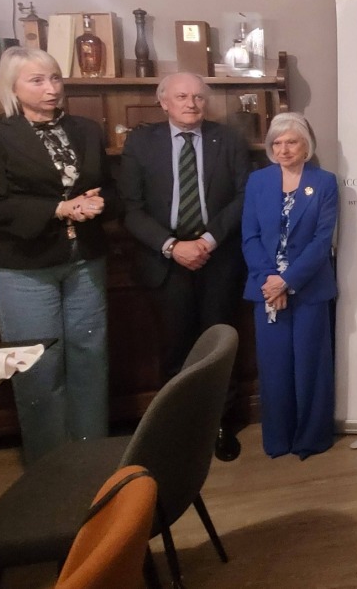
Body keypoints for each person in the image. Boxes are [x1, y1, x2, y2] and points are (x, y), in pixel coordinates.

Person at [0, 46, 117, 464]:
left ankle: (91, 459)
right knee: (38, 366)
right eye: (37, 80)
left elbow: (110, 187)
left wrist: (99, 201)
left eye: (55, 78)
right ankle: (50, 467)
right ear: (12, 87)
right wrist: (59, 209)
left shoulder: (86, 129)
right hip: (25, 267)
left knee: (90, 359)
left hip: (85, 259)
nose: (51, 88)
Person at [118, 72, 251, 461]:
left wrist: (207, 241)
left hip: (218, 256)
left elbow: (244, 196)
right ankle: (178, 425)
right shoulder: (141, 142)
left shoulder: (228, 139)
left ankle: (220, 423)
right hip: (165, 258)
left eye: (198, 97)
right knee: (176, 346)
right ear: (163, 102)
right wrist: (173, 246)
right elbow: (130, 208)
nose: (191, 104)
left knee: (219, 343)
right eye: (181, 97)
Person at [242, 113, 338, 459]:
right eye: (277, 142)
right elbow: (250, 236)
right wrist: (270, 281)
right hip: (266, 289)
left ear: (306, 145)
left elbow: (321, 241)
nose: (283, 149)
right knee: (274, 367)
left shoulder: (324, 182)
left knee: (311, 365)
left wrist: (287, 281)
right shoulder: (258, 181)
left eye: (291, 142)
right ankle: (279, 439)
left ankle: (311, 438)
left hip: (309, 289)